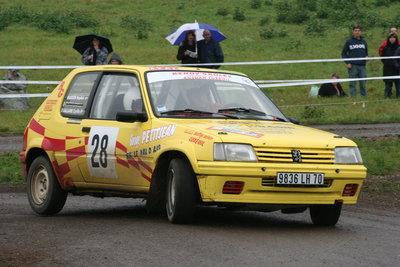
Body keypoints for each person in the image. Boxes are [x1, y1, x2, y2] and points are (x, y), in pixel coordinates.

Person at [341, 25, 368, 97]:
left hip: (362, 66)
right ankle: (353, 97)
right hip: (353, 65)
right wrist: (348, 62)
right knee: (352, 82)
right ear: (353, 32)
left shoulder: (364, 42)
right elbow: (343, 53)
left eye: (359, 31)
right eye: (356, 31)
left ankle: (364, 96)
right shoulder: (349, 41)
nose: (357, 32)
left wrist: (366, 57)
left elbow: (366, 52)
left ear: (361, 32)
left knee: (363, 82)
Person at [381, 33, 400, 98]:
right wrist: (387, 63)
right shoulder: (385, 48)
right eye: (390, 38)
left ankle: (398, 96)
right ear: (388, 39)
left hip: (397, 69)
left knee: (398, 84)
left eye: (393, 38)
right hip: (388, 68)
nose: (392, 39)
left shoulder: (399, 47)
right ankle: (387, 96)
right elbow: (382, 58)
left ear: (396, 39)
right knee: (388, 84)